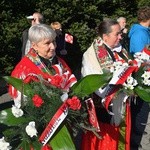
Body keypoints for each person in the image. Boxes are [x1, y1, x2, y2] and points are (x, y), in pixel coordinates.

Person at [81, 19, 131, 150]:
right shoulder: (91, 55)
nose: (121, 37)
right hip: (103, 110)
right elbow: (97, 86)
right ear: (105, 36)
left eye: (121, 33)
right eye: (117, 34)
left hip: (121, 106)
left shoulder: (120, 50)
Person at [9, 24, 73, 102]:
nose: (53, 47)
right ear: (34, 46)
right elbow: (21, 100)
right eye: (47, 43)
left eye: (53, 41)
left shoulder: (61, 62)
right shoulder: (23, 69)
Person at [128, 6, 150, 149]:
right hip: (142, 82)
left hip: (145, 80)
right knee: (139, 116)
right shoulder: (139, 34)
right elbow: (140, 59)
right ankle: (133, 144)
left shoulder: (143, 32)